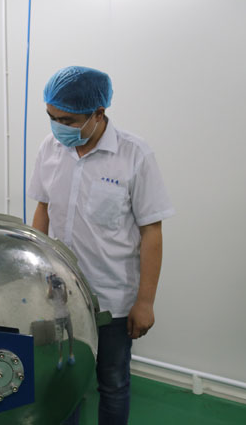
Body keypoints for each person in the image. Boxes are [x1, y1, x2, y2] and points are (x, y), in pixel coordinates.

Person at [28, 66, 175, 425]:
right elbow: (42, 211)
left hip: (112, 298)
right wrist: (34, 269)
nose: (57, 126)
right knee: (61, 381)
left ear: (98, 113)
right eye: (51, 117)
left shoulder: (134, 155)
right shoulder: (50, 149)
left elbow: (151, 232)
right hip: (59, 295)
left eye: (67, 120)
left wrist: (145, 302)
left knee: (113, 382)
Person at [46, 274, 75, 369]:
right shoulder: (50, 291)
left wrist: (65, 286)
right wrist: (50, 283)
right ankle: (60, 358)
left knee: (71, 336)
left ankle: (71, 355)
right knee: (60, 341)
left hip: (67, 316)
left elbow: (65, 300)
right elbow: (49, 295)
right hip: (58, 319)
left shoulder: (61, 290)